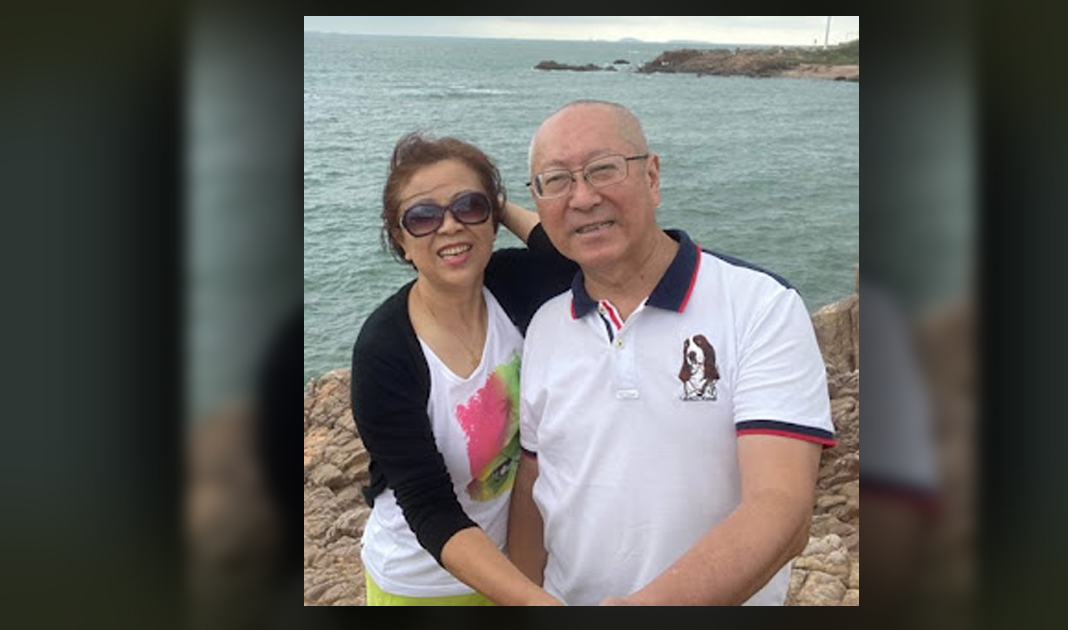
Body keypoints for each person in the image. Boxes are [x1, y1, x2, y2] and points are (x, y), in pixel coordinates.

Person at [507, 100, 836, 606]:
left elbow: (783, 508)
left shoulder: (759, 306)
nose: (583, 197)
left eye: (603, 169)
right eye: (555, 181)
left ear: (653, 176)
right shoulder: (547, 327)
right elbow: (535, 483)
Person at [350, 133, 574, 606]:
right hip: (424, 585)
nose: (449, 226)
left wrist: (498, 208)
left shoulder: (512, 286)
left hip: (515, 562)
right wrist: (537, 602)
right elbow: (431, 510)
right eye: (423, 216)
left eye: (468, 206)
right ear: (400, 239)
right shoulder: (386, 349)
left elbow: (572, 259)